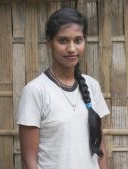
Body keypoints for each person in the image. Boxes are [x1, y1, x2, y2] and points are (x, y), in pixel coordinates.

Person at [17, 8, 110, 169]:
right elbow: (29, 161)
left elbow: (100, 147)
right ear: (48, 42)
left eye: (78, 40)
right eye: (63, 41)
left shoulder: (92, 85)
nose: (72, 48)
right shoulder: (35, 91)